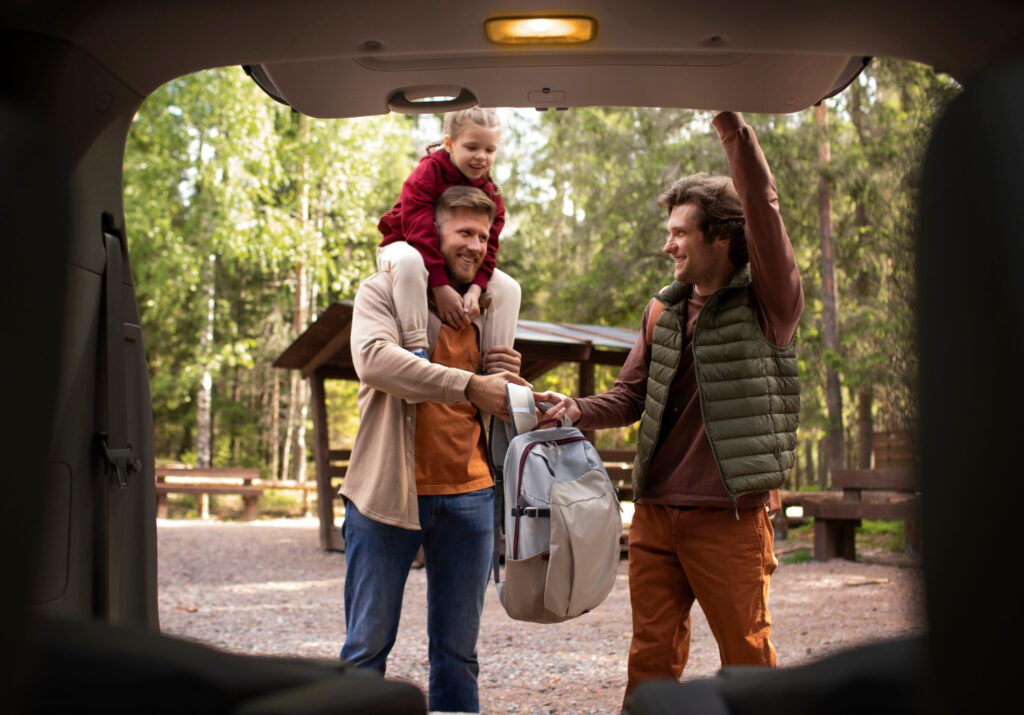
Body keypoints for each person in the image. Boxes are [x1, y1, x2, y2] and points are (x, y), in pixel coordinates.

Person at [536, 111, 803, 700]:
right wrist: (575, 408)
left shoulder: (769, 304)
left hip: (731, 516)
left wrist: (732, 128)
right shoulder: (663, 311)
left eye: (681, 232)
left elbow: (763, 208)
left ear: (723, 236)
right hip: (656, 512)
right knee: (650, 660)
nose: (668, 245)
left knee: (748, 661)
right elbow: (631, 395)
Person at [339, 185, 527, 713]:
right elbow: (375, 361)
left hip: (471, 497)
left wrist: (516, 386)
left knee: (457, 654)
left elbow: (496, 401)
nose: (474, 245)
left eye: (483, 236)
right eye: (463, 232)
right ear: (433, 234)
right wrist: (468, 385)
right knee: (366, 649)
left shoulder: (490, 308)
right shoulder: (382, 292)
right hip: (386, 498)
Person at [377, 107, 518, 360]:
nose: (481, 157)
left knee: (508, 288)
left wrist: (475, 290)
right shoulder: (428, 173)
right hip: (404, 246)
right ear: (449, 143)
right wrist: (440, 286)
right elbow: (418, 231)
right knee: (410, 260)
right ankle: (415, 349)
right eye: (472, 147)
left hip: (455, 262)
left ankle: (496, 364)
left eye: (490, 150)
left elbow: (490, 246)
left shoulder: (492, 194)